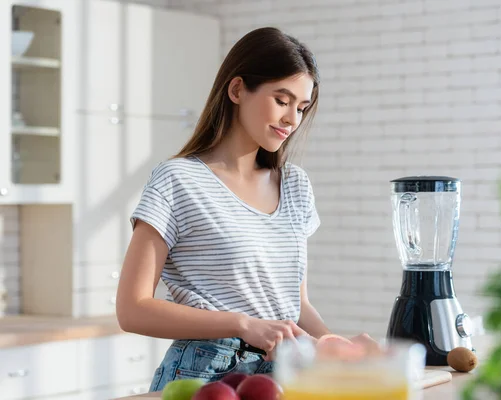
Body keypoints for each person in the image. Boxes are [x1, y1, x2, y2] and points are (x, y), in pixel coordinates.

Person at [115, 26, 374, 391]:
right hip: (205, 374)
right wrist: (242, 324)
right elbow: (132, 309)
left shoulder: (295, 185)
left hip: (283, 375)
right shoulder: (178, 180)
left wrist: (335, 347)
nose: (292, 119)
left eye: (301, 107)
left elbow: (294, 307)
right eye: (281, 100)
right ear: (237, 90)